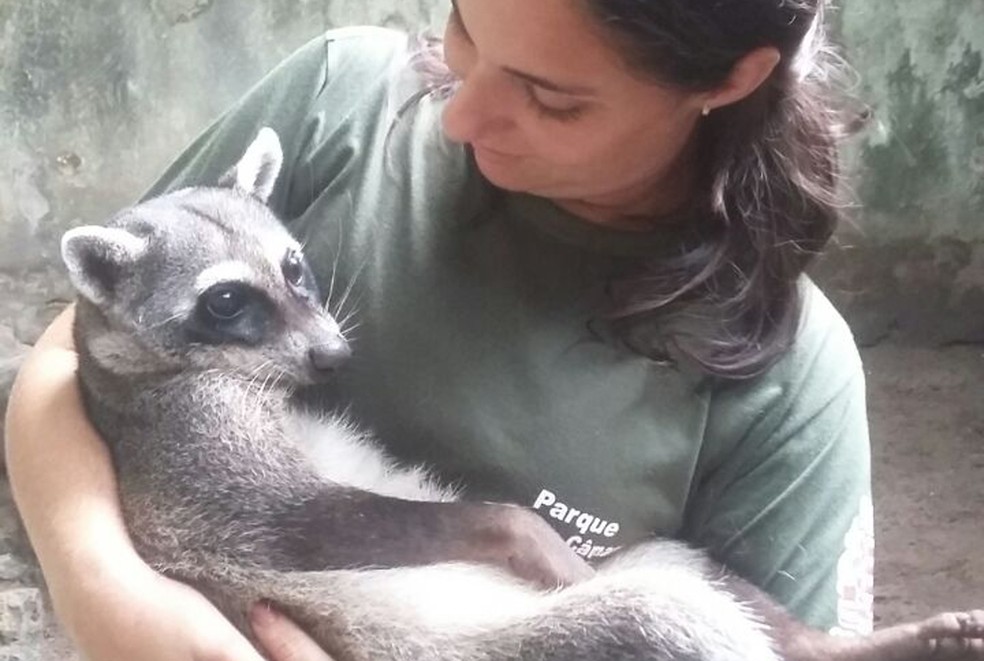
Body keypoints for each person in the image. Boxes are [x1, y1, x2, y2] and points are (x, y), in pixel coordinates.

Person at [5, 0, 880, 659]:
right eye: (463, 26)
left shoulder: (791, 379)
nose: (458, 116)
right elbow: (78, 348)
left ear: (729, 80)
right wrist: (110, 599)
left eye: (550, 99)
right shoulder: (342, 98)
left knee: (674, 605)